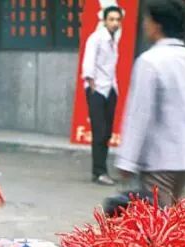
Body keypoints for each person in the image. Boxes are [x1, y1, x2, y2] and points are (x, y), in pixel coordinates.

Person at [115, 0, 185, 207]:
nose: (144, 25)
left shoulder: (150, 61)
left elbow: (139, 114)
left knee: (158, 220)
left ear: (157, 25)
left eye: (147, 20)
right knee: (172, 216)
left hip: (159, 159)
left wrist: (127, 161)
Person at [82, 5, 123, 186]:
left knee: (106, 133)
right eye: (111, 19)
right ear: (104, 21)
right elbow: (88, 64)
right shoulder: (96, 38)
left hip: (110, 89)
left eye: (117, 20)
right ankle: (99, 172)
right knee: (99, 132)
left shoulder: (114, 40)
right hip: (97, 90)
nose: (115, 23)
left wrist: (113, 89)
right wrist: (93, 88)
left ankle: (101, 170)